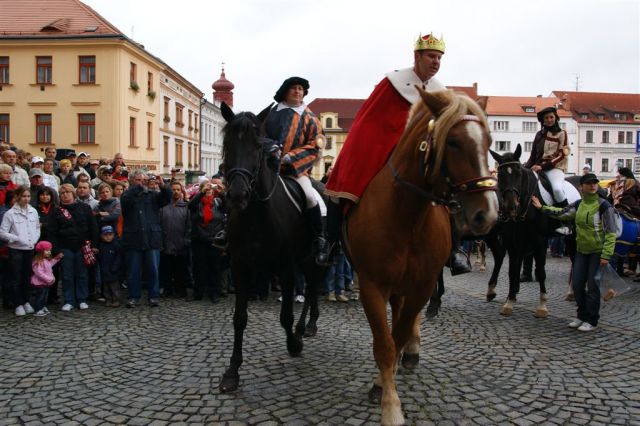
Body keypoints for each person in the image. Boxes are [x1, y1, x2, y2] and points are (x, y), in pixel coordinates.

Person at [323, 33, 471, 273]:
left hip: (420, 151)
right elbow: (371, 121)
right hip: (382, 145)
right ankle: (330, 244)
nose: (436, 62)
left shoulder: (440, 91)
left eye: (440, 58)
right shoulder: (394, 82)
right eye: (432, 56)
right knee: (342, 187)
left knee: (451, 187)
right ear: (417, 56)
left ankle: (454, 249)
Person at [531, 173, 616, 332]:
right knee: (577, 284)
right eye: (589, 183)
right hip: (581, 251)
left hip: (597, 252)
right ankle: (581, 316)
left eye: (594, 183)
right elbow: (561, 212)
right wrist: (542, 208)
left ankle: (591, 319)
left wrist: (606, 254)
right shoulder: (578, 205)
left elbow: (611, 232)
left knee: (592, 286)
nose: (592, 186)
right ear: (581, 187)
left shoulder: (604, 206)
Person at [264, 76, 326, 262]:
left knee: (309, 196)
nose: (298, 92)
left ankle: (319, 239)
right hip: (268, 167)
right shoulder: (270, 114)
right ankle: (227, 232)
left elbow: (316, 144)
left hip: (295, 171)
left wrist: (291, 157)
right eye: (294, 88)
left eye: (301, 89)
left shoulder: (310, 118)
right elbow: (260, 135)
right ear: (285, 91)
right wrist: (272, 149)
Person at [120, 170, 171, 308]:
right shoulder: (127, 195)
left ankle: (154, 296)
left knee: (153, 269)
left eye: (144, 180)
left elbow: (167, 198)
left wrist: (163, 185)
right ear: (131, 181)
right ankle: (133, 296)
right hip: (134, 238)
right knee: (133, 270)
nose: (142, 182)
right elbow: (125, 202)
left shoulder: (153, 195)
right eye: (138, 180)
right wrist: (138, 187)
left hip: (151, 238)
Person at [54, 183, 99, 312]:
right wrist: (56, 249)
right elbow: (53, 232)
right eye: (62, 193)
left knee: (82, 274)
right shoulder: (56, 211)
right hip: (65, 247)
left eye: (67, 192)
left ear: (73, 193)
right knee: (67, 275)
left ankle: (82, 299)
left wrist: (94, 245)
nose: (65, 194)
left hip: (82, 246)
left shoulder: (84, 208)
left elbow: (93, 227)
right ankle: (69, 300)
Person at [0, 186, 41, 316]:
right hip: (16, 249)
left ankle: (26, 301)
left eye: (28, 196)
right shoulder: (10, 214)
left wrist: (34, 239)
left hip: (29, 248)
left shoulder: (33, 211)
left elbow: (36, 228)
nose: (26, 199)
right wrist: (16, 238)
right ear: (17, 197)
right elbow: (2, 232)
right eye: (23, 196)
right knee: (16, 277)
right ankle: (17, 303)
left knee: (27, 276)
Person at [189, 181, 224, 302]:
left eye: (210, 188)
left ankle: (214, 293)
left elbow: (228, 205)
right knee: (199, 267)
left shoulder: (217, 202)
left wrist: (222, 193)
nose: (209, 189)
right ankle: (198, 292)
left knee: (215, 267)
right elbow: (190, 205)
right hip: (199, 239)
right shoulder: (197, 203)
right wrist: (201, 192)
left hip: (215, 239)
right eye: (206, 187)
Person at [159, 181, 191, 298]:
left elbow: (189, 226)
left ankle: (180, 290)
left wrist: (186, 241)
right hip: (166, 243)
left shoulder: (186, 208)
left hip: (181, 243)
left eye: (178, 190)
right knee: (166, 269)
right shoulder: (163, 207)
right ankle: (167, 289)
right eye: (173, 189)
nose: (176, 192)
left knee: (180, 269)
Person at [31, 240, 63, 316]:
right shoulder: (38, 261)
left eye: (50, 250)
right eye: (47, 250)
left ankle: (42, 307)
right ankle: (38, 309)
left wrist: (56, 259)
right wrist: (49, 279)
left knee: (45, 296)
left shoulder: (45, 260)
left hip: (46, 283)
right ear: (41, 251)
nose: (49, 252)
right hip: (40, 283)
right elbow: (39, 273)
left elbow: (50, 264)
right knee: (40, 296)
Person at [97, 225, 122, 307]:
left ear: (113, 235)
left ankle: (116, 300)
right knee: (106, 288)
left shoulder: (116, 245)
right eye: (105, 235)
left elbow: (119, 257)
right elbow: (100, 258)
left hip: (113, 270)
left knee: (114, 287)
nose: (108, 237)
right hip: (104, 270)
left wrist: (115, 267)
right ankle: (108, 299)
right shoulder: (101, 246)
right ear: (102, 236)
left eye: (110, 235)